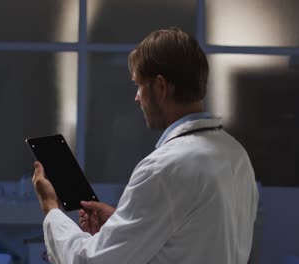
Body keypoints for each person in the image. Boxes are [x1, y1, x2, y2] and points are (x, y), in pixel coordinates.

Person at [32, 27, 259, 264]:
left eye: (139, 85)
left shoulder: (164, 168)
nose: (137, 98)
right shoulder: (236, 154)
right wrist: (121, 224)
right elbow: (192, 235)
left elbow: (89, 262)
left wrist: (51, 210)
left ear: (160, 87)